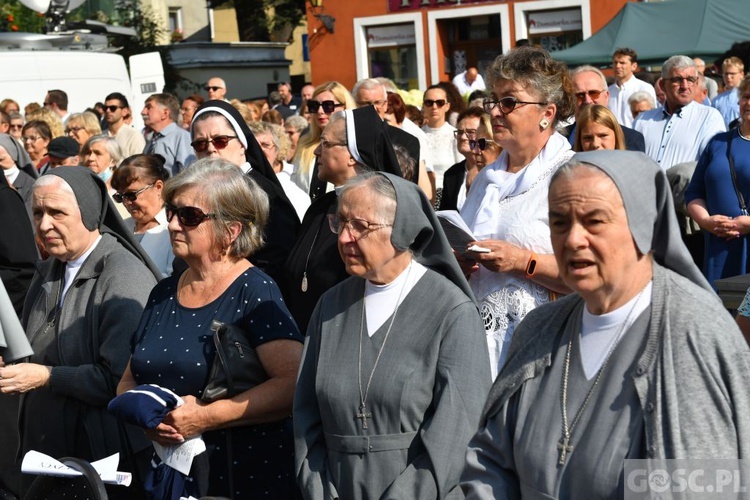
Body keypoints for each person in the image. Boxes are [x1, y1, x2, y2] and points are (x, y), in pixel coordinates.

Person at [461, 150, 750, 498]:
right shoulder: (539, 328)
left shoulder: (692, 334)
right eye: (559, 222)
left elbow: (702, 486)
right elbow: (490, 459)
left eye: (594, 221)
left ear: (643, 224)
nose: (573, 239)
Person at [294, 171, 491, 499]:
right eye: (340, 223)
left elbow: (455, 436)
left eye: (360, 225)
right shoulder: (330, 306)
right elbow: (305, 417)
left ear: (402, 229)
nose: (344, 238)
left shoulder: (451, 312)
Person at [117, 158, 304, 498]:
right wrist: (150, 421)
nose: (173, 224)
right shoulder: (163, 292)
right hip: (169, 476)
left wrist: (206, 417)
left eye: (188, 216)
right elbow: (128, 380)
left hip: (238, 478)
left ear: (231, 230)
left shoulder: (255, 291)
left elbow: (292, 385)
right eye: (171, 212)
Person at [0, 166, 160, 498]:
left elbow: (120, 381)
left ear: (87, 212)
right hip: (48, 456)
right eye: (38, 212)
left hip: (98, 460)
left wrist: (46, 376)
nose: (44, 225)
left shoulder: (123, 276)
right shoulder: (50, 269)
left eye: (57, 212)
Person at [459, 46, 574, 378]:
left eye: (509, 102)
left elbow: (597, 273)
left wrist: (523, 262)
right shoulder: (486, 180)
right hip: (477, 347)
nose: (495, 112)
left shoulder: (570, 176)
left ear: (546, 113)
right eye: (492, 101)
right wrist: (459, 259)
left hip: (540, 350)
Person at [283, 106, 402, 333]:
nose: (317, 150)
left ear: (352, 155)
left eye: (326, 143)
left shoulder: (382, 212)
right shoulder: (320, 207)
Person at [190, 99, 300, 285]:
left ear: (242, 144)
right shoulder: (197, 192)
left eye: (220, 141)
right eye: (200, 144)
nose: (210, 149)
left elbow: (279, 258)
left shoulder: (265, 194)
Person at [685, 75, 750, 287]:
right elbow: (694, 193)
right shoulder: (718, 142)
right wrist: (706, 221)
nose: (749, 103)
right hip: (719, 249)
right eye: (746, 97)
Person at [633, 55, 725, 171]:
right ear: (662, 85)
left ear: (696, 84)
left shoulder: (709, 117)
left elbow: (712, 163)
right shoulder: (643, 120)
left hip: (684, 189)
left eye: (690, 80)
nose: (685, 86)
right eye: (677, 79)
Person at [111, 154, 174, 278]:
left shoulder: (175, 229)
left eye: (131, 195)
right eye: (120, 197)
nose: (126, 202)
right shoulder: (121, 228)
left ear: (158, 187)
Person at [290, 81, 356, 196]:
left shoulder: (355, 144)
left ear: (345, 107)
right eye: (314, 106)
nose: (320, 111)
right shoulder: (305, 143)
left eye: (328, 106)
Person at [561, 65, 645, 152]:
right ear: (570, 100)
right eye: (579, 95)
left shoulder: (631, 139)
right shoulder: (558, 139)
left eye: (594, 93)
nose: (587, 100)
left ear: (606, 96)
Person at [250, 120, 310, 222]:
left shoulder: (294, 194)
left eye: (265, 145)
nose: (259, 151)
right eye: (254, 146)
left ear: (276, 151)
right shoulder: (235, 184)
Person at [439, 107, 489, 211]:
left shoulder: (493, 170)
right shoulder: (451, 174)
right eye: (460, 132)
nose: (462, 137)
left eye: (471, 132)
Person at [421, 84, 462, 192]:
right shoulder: (417, 135)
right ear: (423, 106)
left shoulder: (455, 135)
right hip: (423, 194)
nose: (434, 107)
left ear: (447, 106)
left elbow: (461, 169)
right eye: (429, 103)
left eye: (439, 103)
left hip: (449, 192)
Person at [142, 93, 195, 175]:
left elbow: (189, 175)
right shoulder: (152, 139)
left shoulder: (182, 137)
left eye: (149, 107)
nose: (143, 112)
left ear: (165, 113)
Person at [607, 48, 656, 127]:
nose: (618, 66)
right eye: (615, 62)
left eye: (622, 63)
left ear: (634, 66)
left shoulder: (644, 88)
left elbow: (651, 117)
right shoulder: (608, 91)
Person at [105, 92, 146, 157]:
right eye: (105, 108)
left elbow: (139, 163)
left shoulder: (134, 136)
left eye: (113, 108)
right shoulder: (101, 135)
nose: (108, 111)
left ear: (124, 111)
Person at [712, 56, 745, 127]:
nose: (728, 77)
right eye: (726, 74)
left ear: (741, 74)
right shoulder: (717, 100)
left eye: (732, 74)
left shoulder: (745, 97)